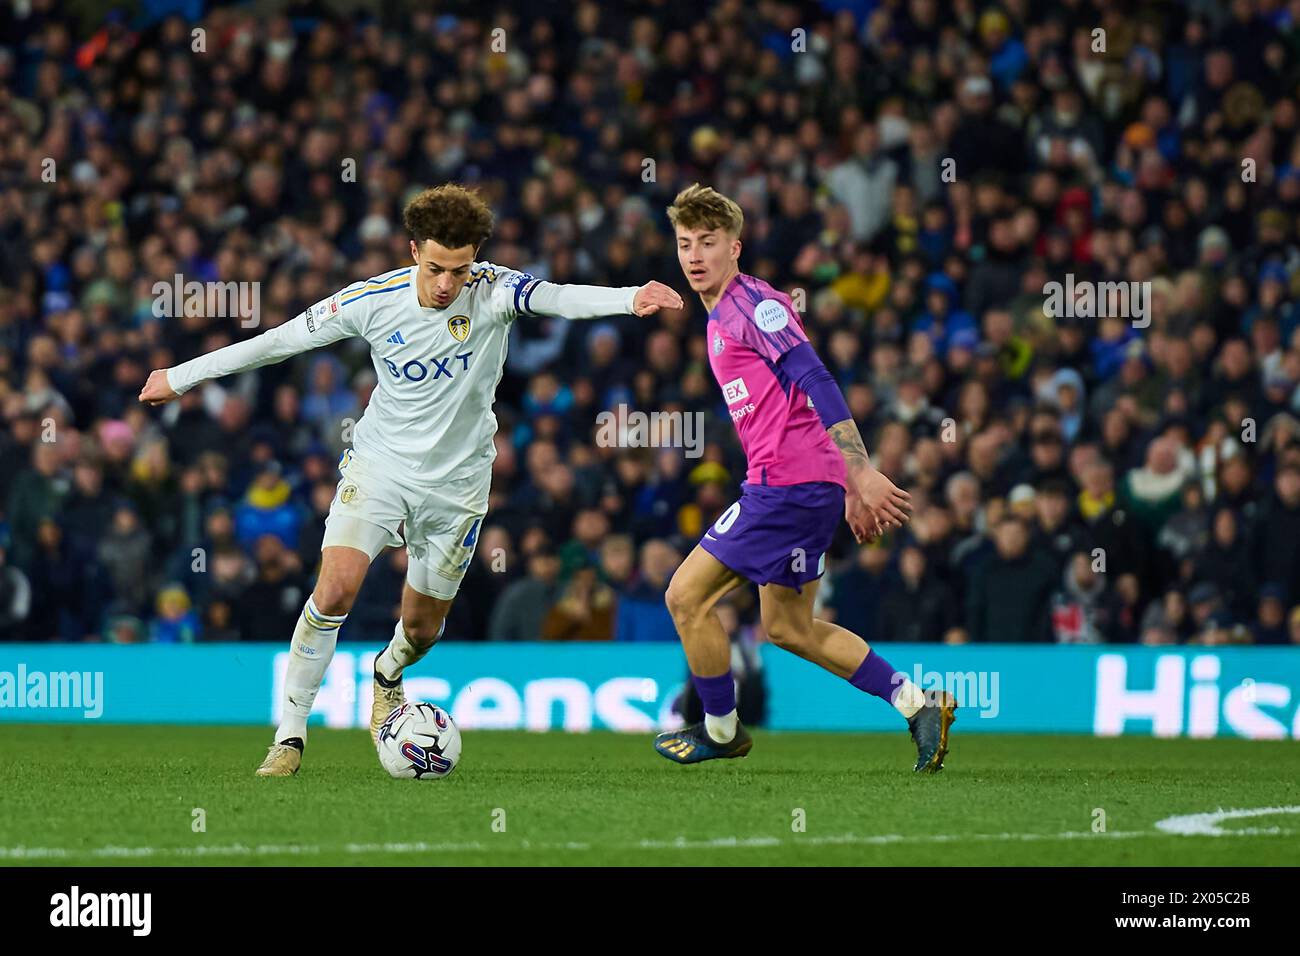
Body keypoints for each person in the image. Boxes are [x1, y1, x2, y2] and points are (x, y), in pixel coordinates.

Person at [139, 184, 682, 776]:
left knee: (422, 628)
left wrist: (631, 298)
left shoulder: (495, 289)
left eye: (460, 268)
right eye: (435, 267)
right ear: (412, 250)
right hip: (381, 467)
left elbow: (557, 297)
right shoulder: (372, 300)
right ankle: (289, 737)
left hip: (459, 486)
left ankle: (387, 672)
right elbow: (279, 341)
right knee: (335, 589)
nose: (448, 283)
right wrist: (183, 376)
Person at [651, 184, 954, 774]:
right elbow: (794, 408)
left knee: (685, 597)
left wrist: (860, 471)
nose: (694, 256)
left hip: (782, 488)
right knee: (788, 627)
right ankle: (918, 705)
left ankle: (721, 729)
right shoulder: (718, 316)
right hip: (805, 487)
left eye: (707, 243)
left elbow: (817, 380)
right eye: (685, 243)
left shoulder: (752, 307)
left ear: (735, 248)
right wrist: (838, 485)